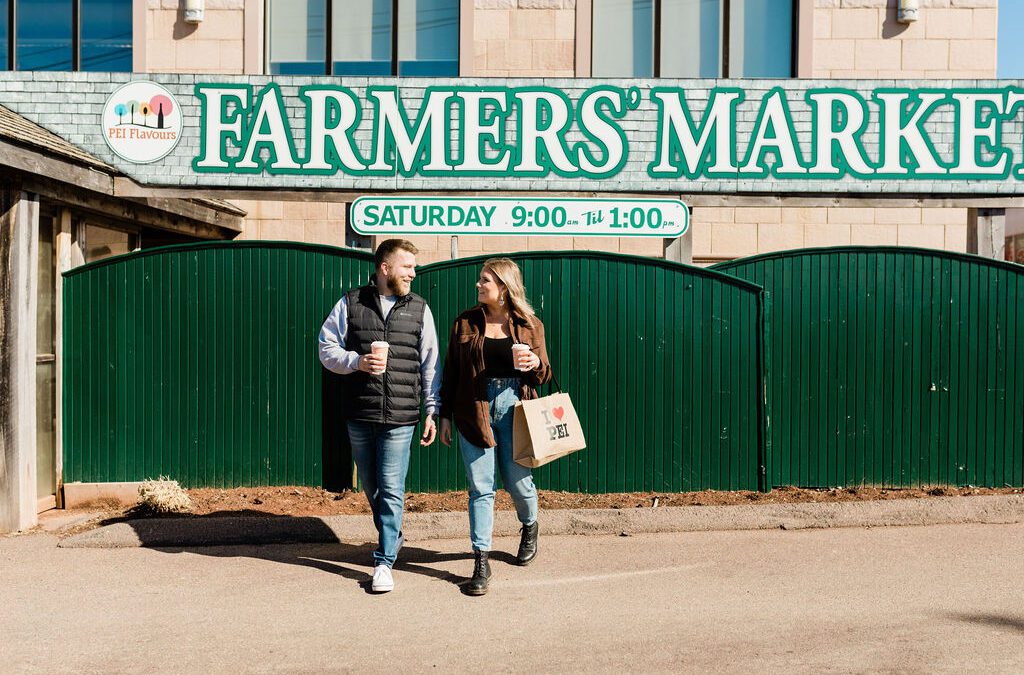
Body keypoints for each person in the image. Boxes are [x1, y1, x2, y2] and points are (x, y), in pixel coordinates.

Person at [318, 239, 440, 593]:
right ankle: (395, 533)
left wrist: (432, 408)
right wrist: (356, 361)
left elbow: (431, 362)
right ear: (385, 268)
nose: (414, 273)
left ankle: (384, 561)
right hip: (360, 411)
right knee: (371, 487)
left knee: (391, 488)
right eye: (407, 267)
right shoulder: (351, 302)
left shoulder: (419, 308)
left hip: (401, 416)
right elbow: (326, 348)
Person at [439, 258, 551, 596]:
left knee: (518, 482)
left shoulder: (530, 324)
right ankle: (480, 561)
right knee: (480, 487)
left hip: (514, 405)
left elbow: (543, 375)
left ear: (503, 286)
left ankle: (529, 524)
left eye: (484, 280)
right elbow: (451, 372)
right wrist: (444, 415)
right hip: (473, 406)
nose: (478, 285)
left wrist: (534, 364)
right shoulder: (464, 322)